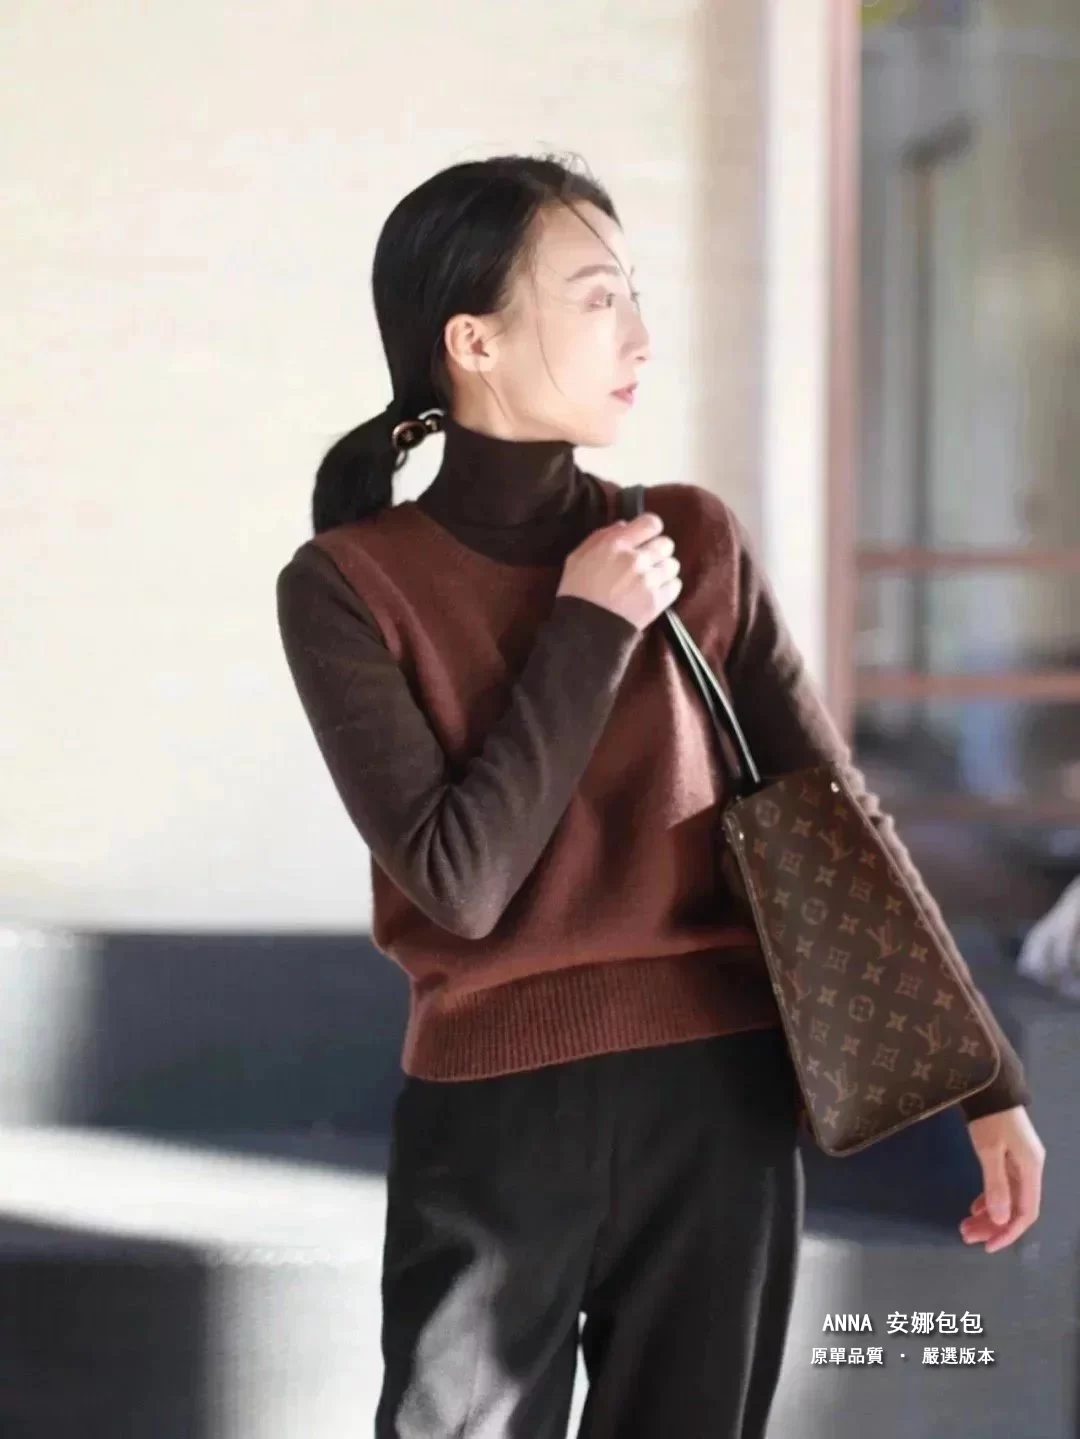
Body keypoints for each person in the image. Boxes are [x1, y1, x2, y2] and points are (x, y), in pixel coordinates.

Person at [275, 153, 1045, 1439]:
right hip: (496, 1111)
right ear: (472, 339)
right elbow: (460, 883)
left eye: (636, 293)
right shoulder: (350, 585)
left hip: (720, 1099)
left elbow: (835, 815)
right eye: (597, 298)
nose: (639, 335)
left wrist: (987, 1076)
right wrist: (588, 626)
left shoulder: (693, 535)